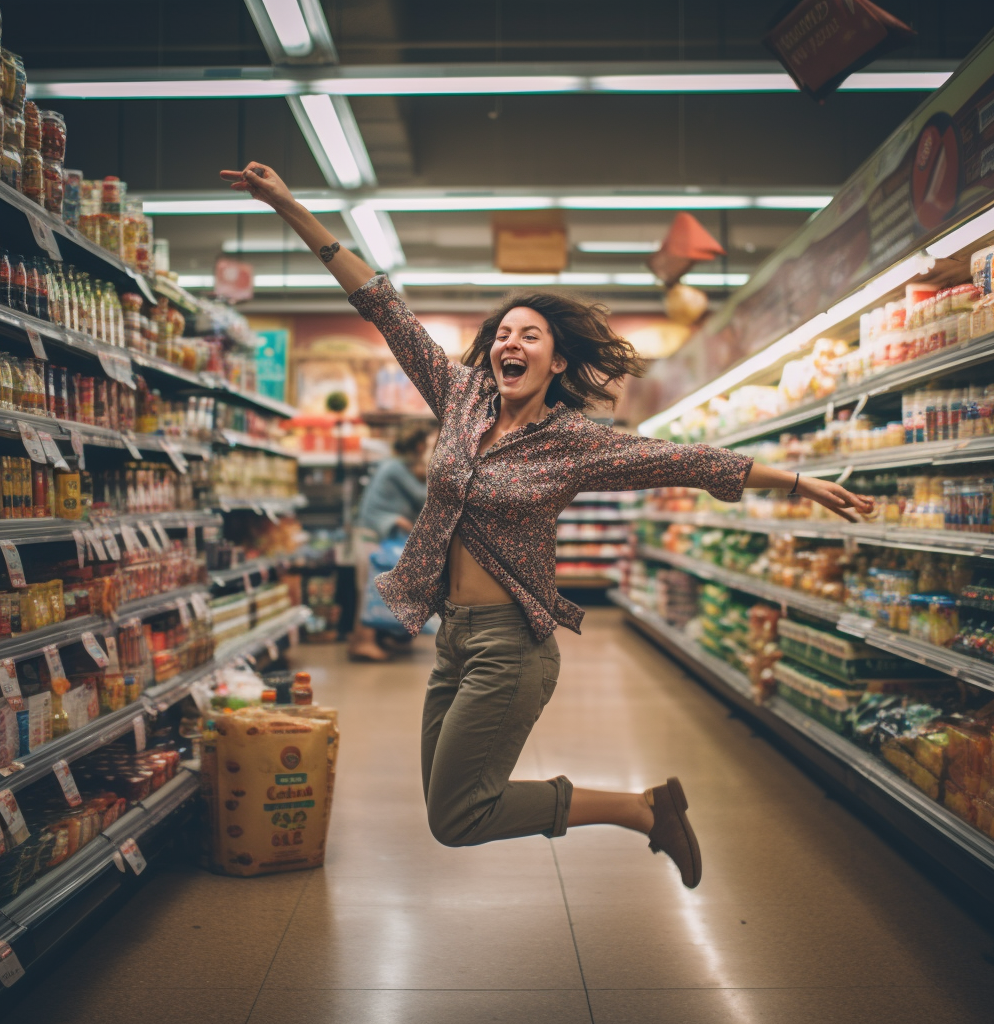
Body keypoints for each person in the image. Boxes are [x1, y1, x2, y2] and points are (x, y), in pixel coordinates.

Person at [220, 161, 875, 889]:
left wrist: (797, 481)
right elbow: (379, 302)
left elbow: (683, 458)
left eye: (530, 335)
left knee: (458, 817)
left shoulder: (577, 441)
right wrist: (289, 206)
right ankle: (646, 808)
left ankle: (642, 811)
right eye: (504, 333)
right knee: (449, 809)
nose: (512, 343)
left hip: (512, 647)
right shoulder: (460, 395)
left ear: (556, 359)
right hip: (451, 638)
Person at [350, 425, 433, 662]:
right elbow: (422, 496)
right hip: (372, 534)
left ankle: (370, 638)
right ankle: (363, 642)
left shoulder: (395, 465)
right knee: (371, 588)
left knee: (371, 586)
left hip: (374, 532)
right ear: (419, 446)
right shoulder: (395, 467)